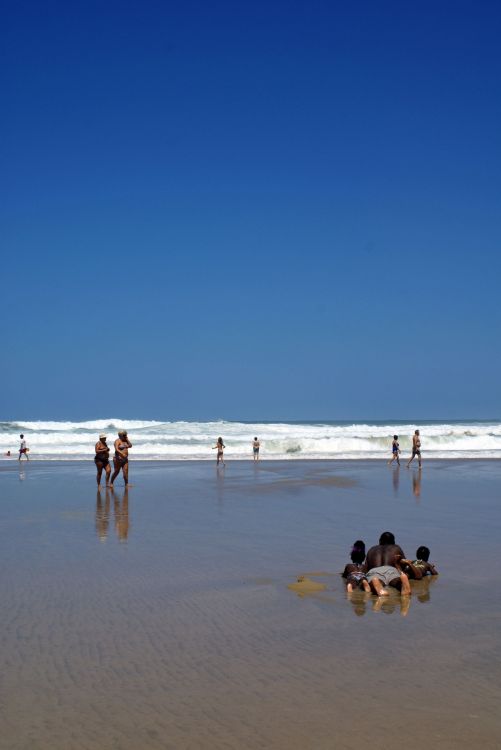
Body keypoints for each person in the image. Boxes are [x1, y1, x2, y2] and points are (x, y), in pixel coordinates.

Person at [365, 531, 413, 596]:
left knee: (375, 581)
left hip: (375, 571)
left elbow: (366, 568)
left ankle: (376, 583)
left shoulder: (372, 549)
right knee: (396, 581)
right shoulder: (396, 548)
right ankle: (401, 583)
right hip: (391, 570)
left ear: (380, 540)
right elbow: (404, 564)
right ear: (393, 541)